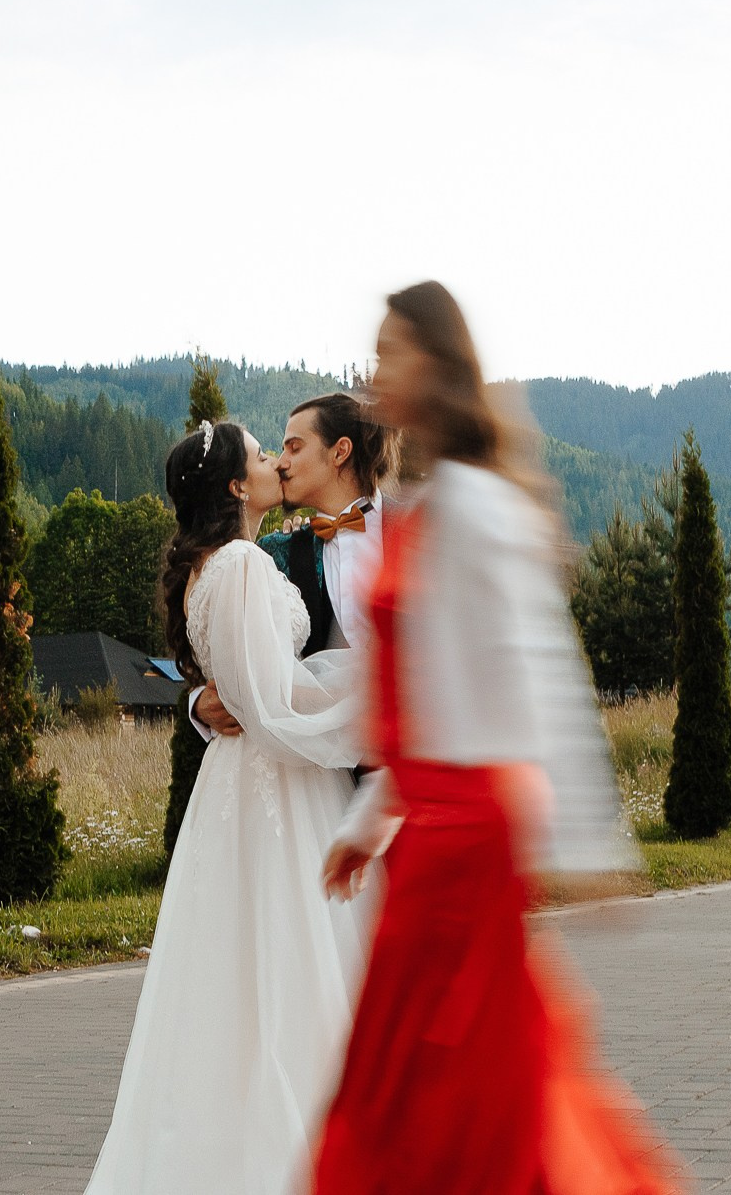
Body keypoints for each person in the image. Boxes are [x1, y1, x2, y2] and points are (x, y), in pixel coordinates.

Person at [313, 281, 674, 1195]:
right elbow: (439, 694)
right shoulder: (432, 507)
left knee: (456, 1104)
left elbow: (539, 673)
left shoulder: (476, 509)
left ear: (433, 366)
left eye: (390, 350)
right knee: (425, 1095)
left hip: (468, 842)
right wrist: (371, 816)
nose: (374, 369)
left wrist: (590, 844)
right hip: (432, 833)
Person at [84, 420, 373, 1195]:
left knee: (242, 976)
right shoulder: (247, 559)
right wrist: (376, 698)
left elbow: (246, 681)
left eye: (287, 447)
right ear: (239, 488)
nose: (278, 460)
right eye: (261, 455)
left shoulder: (217, 564)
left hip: (246, 788)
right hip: (281, 781)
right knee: (288, 971)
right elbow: (267, 702)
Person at [190, 390, 392, 733]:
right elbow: (221, 637)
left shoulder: (420, 529)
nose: (281, 463)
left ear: (340, 451)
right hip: (327, 767)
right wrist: (198, 702)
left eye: (294, 448)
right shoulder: (273, 553)